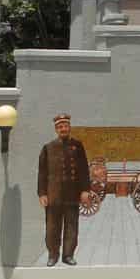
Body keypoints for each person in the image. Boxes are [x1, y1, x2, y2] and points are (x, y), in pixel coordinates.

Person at [36, 113, 90, 266]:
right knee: (52, 227)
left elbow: (84, 170)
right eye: (60, 127)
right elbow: (42, 173)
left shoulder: (77, 146)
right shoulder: (48, 148)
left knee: (71, 227)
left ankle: (68, 255)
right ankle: (52, 255)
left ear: (69, 127)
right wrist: (42, 193)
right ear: (56, 129)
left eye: (65, 126)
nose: (63, 129)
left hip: (72, 194)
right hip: (54, 195)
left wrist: (85, 190)